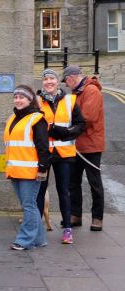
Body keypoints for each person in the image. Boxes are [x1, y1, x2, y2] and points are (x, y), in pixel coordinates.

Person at [36, 69, 85, 244]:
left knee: (64, 191)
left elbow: (80, 125)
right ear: (42, 82)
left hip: (64, 154)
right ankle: (37, 228)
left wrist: (65, 132)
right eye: (45, 79)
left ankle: (67, 230)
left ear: (58, 82)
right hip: (43, 155)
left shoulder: (70, 101)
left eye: (52, 79)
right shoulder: (37, 102)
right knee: (39, 191)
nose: (49, 82)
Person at [4, 85, 50, 250]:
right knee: (29, 204)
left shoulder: (37, 118)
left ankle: (24, 240)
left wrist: (43, 168)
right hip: (16, 170)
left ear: (30, 100)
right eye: (15, 97)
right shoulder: (13, 118)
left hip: (30, 171)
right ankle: (39, 239)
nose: (18, 100)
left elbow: (43, 146)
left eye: (21, 97)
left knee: (29, 205)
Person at [62, 65, 105, 231]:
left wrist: (68, 130)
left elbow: (87, 118)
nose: (66, 84)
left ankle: (97, 218)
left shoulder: (91, 91)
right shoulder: (76, 92)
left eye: (66, 81)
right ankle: (75, 215)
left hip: (91, 144)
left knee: (94, 182)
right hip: (76, 144)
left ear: (72, 78)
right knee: (73, 182)